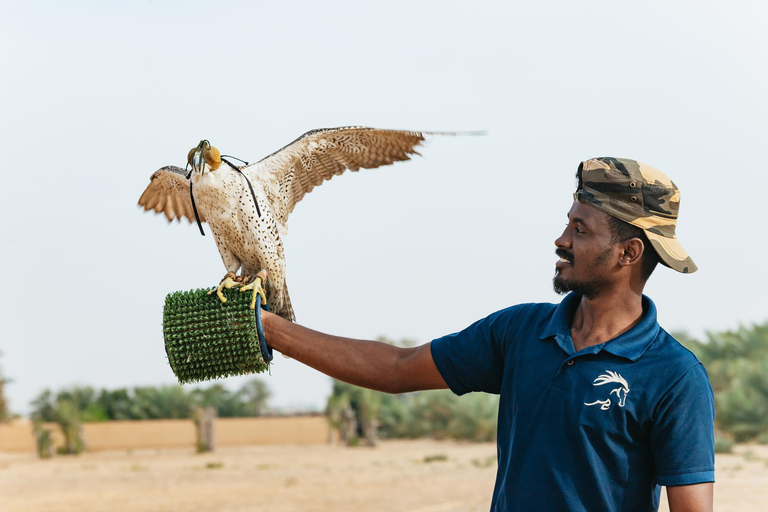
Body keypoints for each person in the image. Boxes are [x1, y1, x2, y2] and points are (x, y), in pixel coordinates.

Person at [261, 157, 715, 512]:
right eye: (567, 223)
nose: (561, 240)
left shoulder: (674, 377)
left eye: (580, 230)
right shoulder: (520, 332)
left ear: (628, 252)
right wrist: (272, 329)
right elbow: (397, 369)